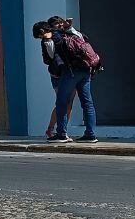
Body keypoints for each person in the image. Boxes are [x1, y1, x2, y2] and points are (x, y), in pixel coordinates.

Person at [48, 15, 100, 144]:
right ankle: (90, 134)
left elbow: (51, 55)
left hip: (71, 72)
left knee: (62, 102)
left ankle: (61, 134)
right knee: (87, 103)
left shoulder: (56, 37)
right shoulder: (76, 34)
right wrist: (69, 27)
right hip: (86, 71)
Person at [32, 21, 75, 140]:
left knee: (69, 103)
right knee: (62, 102)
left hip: (69, 73)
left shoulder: (61, 35)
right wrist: (47, 41)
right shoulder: (45, 41)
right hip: (57, 75)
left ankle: (62, 130)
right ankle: (52, 129)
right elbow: (50, 57)